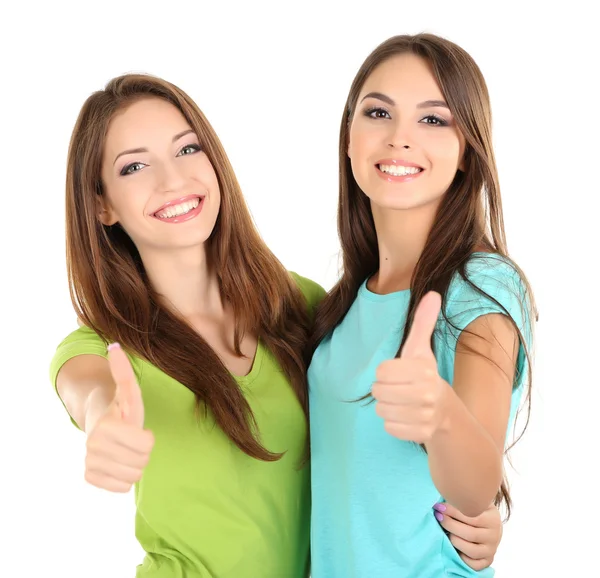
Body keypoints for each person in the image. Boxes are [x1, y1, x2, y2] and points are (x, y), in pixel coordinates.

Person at [50, 73, 504, 577]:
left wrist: (472, 513)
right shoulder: (102, 347)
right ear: (101, 204)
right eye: (134, 166)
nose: (171, 180)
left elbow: (369, 455)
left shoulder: (302, 307)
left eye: (187, 150)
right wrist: (102, 422)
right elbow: (86, 390)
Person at [307, 33, 536, 578]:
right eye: (378, 112)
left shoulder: (481, 287)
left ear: (466, 153)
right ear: (348, 137)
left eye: (433, 120)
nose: (399, 138)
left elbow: (476, 486)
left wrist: (439, 413)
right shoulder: (341, 305)